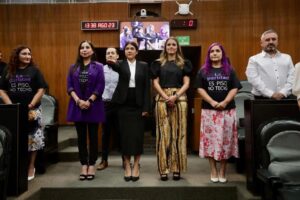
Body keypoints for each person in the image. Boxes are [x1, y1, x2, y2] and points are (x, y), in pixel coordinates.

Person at [194, 42, 241, 183]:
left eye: (217, 51)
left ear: (222, 54)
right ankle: (213, 169)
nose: (214, 53)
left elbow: (235, 87)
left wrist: (225, 101)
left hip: (227, 111)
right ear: (208, 55)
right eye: (212, 51)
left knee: (225, 142)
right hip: (209, 112)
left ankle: (223, 170)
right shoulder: (203, 71)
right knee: (210, 141)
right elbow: (199, 89)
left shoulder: (230, 70)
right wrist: (212, 102)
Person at [0, 45, 48, 181]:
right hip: (14, 110)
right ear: (17, 56)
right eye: (24, 54)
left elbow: (41, 89)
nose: (28, 56)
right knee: (15, 137)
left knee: (33, 139)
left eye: (29, 54)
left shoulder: (35, 71)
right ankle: (16, 166)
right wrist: (10, 104)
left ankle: (31, 166)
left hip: (32, 110)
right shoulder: (8, 70)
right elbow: (2, 90)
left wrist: (32, 104)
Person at [150, 37, 192, 181]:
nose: (171, 47)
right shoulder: (157, 63)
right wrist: (166, 96)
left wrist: (175, 96)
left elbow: (187, 83)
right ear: (165, 47)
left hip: (179, 99)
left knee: (178, 134)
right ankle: (163, 169)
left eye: (174, 44)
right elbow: (155, 83)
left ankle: (176, 168)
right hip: (162, 99)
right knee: (163, 135)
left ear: (177, 47)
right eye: (169, 44)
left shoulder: (184, 63)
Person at [108, 41, 150, 182]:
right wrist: (112, 61)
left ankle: (136, 165)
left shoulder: (144, 66)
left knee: (138, 136)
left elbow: (146, 88)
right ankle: (127, 165)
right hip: (123, 105)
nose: (130, 50)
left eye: (132, 48)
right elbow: (113, 65)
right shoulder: (120, 64)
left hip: (138, 104)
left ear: (137, 52)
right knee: (125, 137)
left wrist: (146, 108)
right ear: (124, 51)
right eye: (127, 49)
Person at [66, 40, 105, 181]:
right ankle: (83, 165)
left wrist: (89, 101)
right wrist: (78, 101)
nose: (84, 50)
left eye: (87, 47)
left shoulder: (99, 67)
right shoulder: (72, 67)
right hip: (77, 106)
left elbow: (100, 86)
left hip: (93, 106)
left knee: (93, 137)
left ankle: (92, 164)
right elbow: (69, 87)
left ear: (92, 51)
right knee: (81, 138)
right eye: (82, 47)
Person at [245, 29, 295, 99]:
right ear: (261, 43)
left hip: (285, 98)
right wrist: (271, 94)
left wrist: (283, 92)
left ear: (277, 42)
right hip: (261, 101)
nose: (271, 41)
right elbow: (253, 79)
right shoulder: (253, 59)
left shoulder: (287, 58)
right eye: (267, 40)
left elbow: (292, 77)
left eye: (274, 39)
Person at [97, 47, 121, 170]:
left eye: (112, 53)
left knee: (122, 133)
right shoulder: (101, 69)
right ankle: (104, 160)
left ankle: (126, 161)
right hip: (105, 105)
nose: (110, 55)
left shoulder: (122, 69)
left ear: (117, 56)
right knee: (105, 134)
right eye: (108, 53)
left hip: (119, 105)